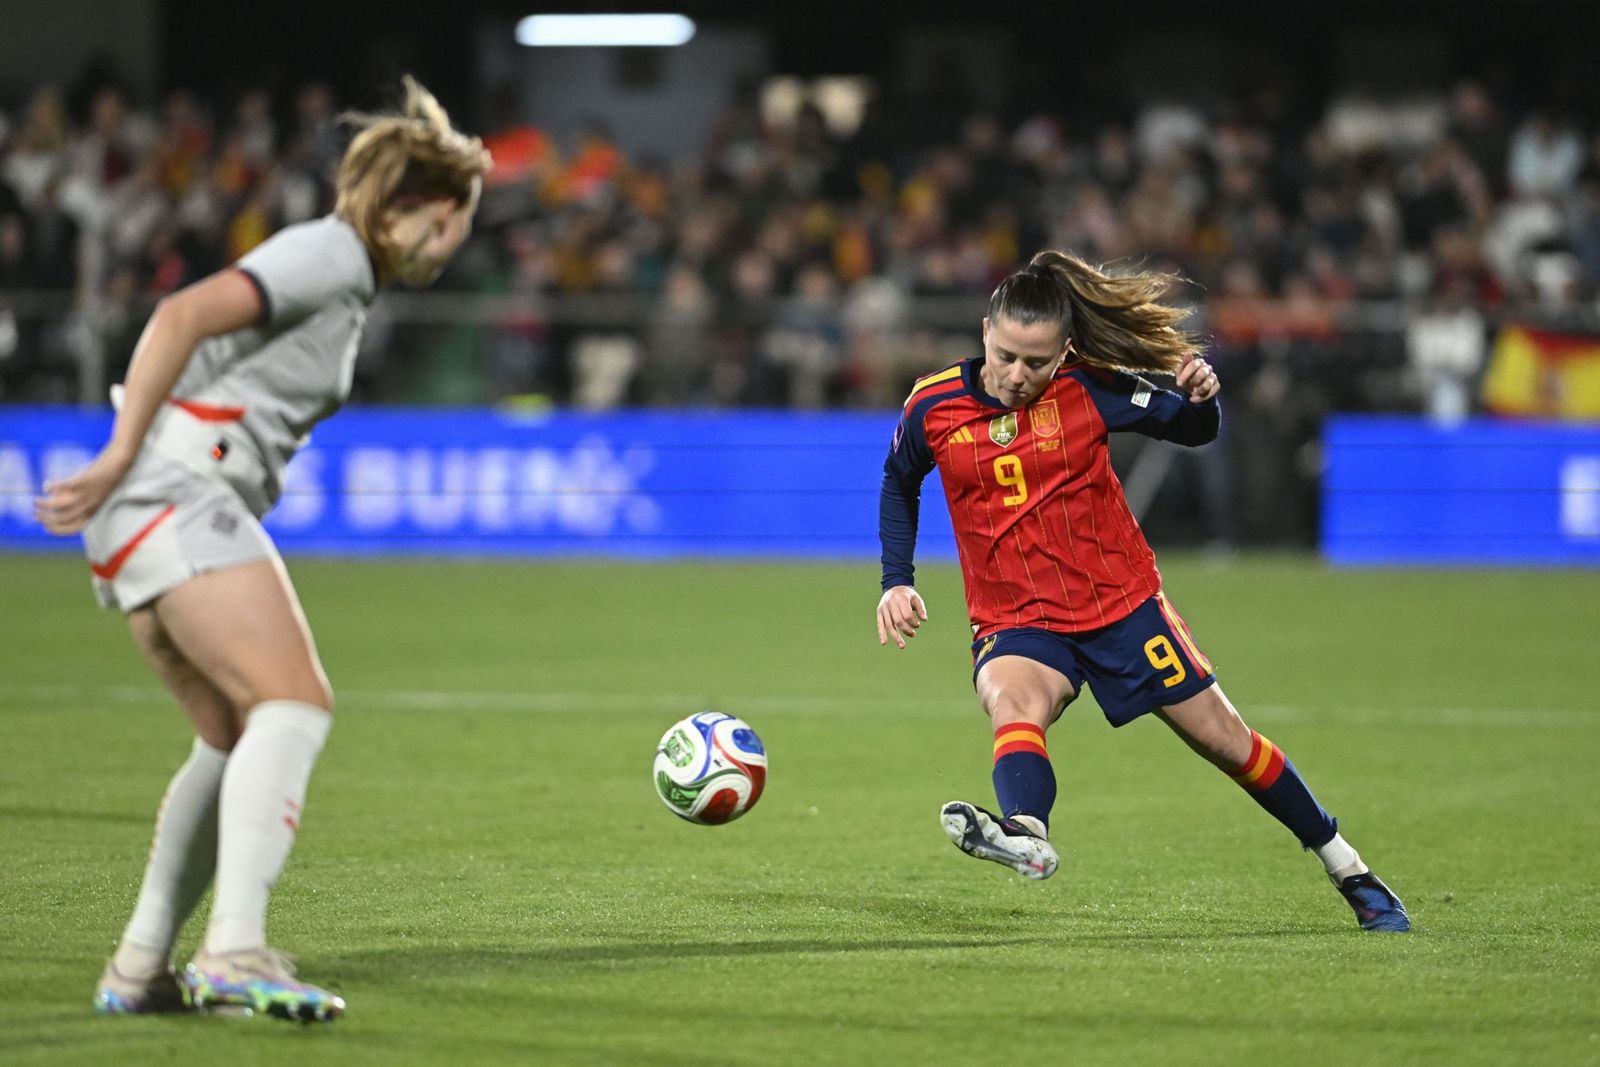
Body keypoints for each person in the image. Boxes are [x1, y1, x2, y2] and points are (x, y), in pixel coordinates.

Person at [35, 76, 491, 1020]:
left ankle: (139, 964)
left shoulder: (346, 271)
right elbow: (180, 315)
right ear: (433, 212)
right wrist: (120, 453)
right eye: (461, 222)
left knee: (233, 731)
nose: (458, 244)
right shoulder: (330, 253)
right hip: (176, 486)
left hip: (161, 500)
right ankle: (235, 948)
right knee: (294, 701)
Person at [875, 249, 1409, 933]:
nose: (1018, 375)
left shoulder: (1089, 386)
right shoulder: (933, 404)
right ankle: (1027, 829)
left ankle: (1349, 866)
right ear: (986, 331)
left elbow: (1189, 427)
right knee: (1014, 700)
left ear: (1063, 350)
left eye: (1036, 362)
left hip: (1119, 604)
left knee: (1228, 742)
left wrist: (1202, 399)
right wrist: (897, 579)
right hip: (1018, 614)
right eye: (1007, 355)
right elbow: (899, 479)